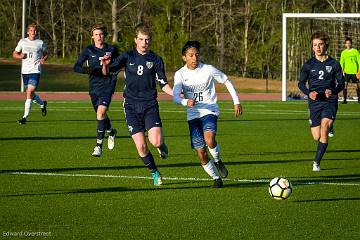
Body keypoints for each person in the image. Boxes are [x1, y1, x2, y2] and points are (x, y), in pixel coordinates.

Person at [101, 23, 173, 186]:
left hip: (149, 105)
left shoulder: (156, 60)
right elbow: (107, 72)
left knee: (155, 141)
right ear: (135, 40)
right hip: (131, 106)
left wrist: (176, 93)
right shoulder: (127, 57)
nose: (144, 43)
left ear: (150, 41)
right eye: (141, 39)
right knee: (141, 146)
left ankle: (161, 146)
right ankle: (155, 172)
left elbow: (163, 84)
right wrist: (105, 64)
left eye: (147, 40)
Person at [173, 41, 242, 188]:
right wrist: (186, 102)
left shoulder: (208, 69)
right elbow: (175, 96)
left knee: (209, 140)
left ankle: (217, 160)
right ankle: (216, 178)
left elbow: (227, 81)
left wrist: (236, 101)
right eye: (191, 55)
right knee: (201, 154)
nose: (194, 58)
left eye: (196, 55)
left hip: (209, 110)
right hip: (193, 116)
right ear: (184, 57)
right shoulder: (180, 74)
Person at [298, 32, 344, 171]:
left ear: (325, 45)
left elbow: (341, 83)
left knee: (324, 129)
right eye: (315, 45)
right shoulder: (308, 64)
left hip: (330, 100)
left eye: (320, 44)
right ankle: (329, 126)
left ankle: (316, 162)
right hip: (315, 102)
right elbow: (301, 83)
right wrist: (308, 93)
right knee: (316, 136)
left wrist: (333, 91)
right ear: (312, 47)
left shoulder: (334, 64)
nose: (317, 47)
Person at [74, 24, 118, 157]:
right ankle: (111, 131)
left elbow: (119, 64)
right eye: (96, 34)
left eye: (101, 34)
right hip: (94, 87)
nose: (99, 37)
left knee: (100, 113)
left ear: (104, 36)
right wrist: (89, 70)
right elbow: (76, 67)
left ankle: (98, 146)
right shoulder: (88, 50)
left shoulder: (112, 49)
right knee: (101, 115)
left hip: (108, 85)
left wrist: (111, 68)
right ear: (92, 36)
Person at [12, 23, 48, 124]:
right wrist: (20, 56)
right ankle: (42, 104)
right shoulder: (22, 41)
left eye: (35, 31)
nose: (34, 32)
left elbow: (46, 54)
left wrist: (43, 59)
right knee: (31, 93)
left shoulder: (40, 43)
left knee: (29, 92)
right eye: (32, 30)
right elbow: (14, 54)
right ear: (28, 32)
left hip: (35, 71)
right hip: (25, 72)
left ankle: (25, 117)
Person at [340, 37, 360, 104]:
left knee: (356, 86)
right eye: (347, 43)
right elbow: (342, 62)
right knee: (345, 85)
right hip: (346, 72)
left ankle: (359, 99)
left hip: (355, 72)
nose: (348, 44)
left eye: (349, 43)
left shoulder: (355, 52)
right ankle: (345, 100)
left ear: (351, 44)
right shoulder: (343, 53)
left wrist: (359, 71)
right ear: (345, 44)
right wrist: (342, 70)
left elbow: (359, 61)